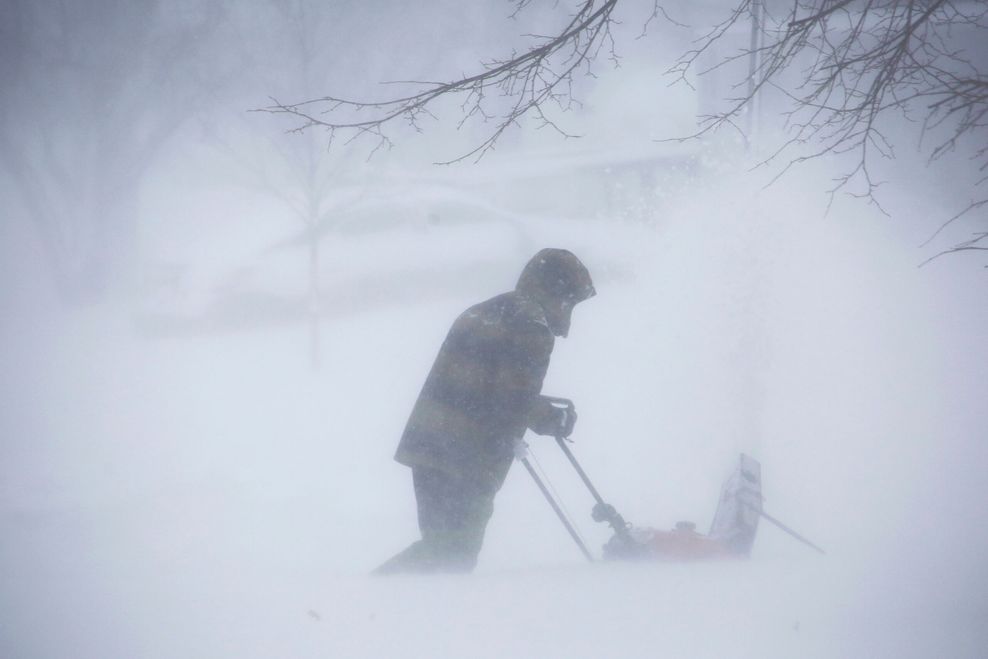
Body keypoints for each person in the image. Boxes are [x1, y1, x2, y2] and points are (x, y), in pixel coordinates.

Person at [374, 248, 596, 574]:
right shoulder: (532, 325)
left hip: (429, 445)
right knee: (453, 555)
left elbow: (488, 385)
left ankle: (398, 608)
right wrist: (553, 419)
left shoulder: (484, 311)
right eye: (571, 300)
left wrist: (536, 409)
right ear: (559, 292)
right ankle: (372, 597)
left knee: (441, 548)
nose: (569, 310)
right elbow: (512, 398)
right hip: (468, 455)